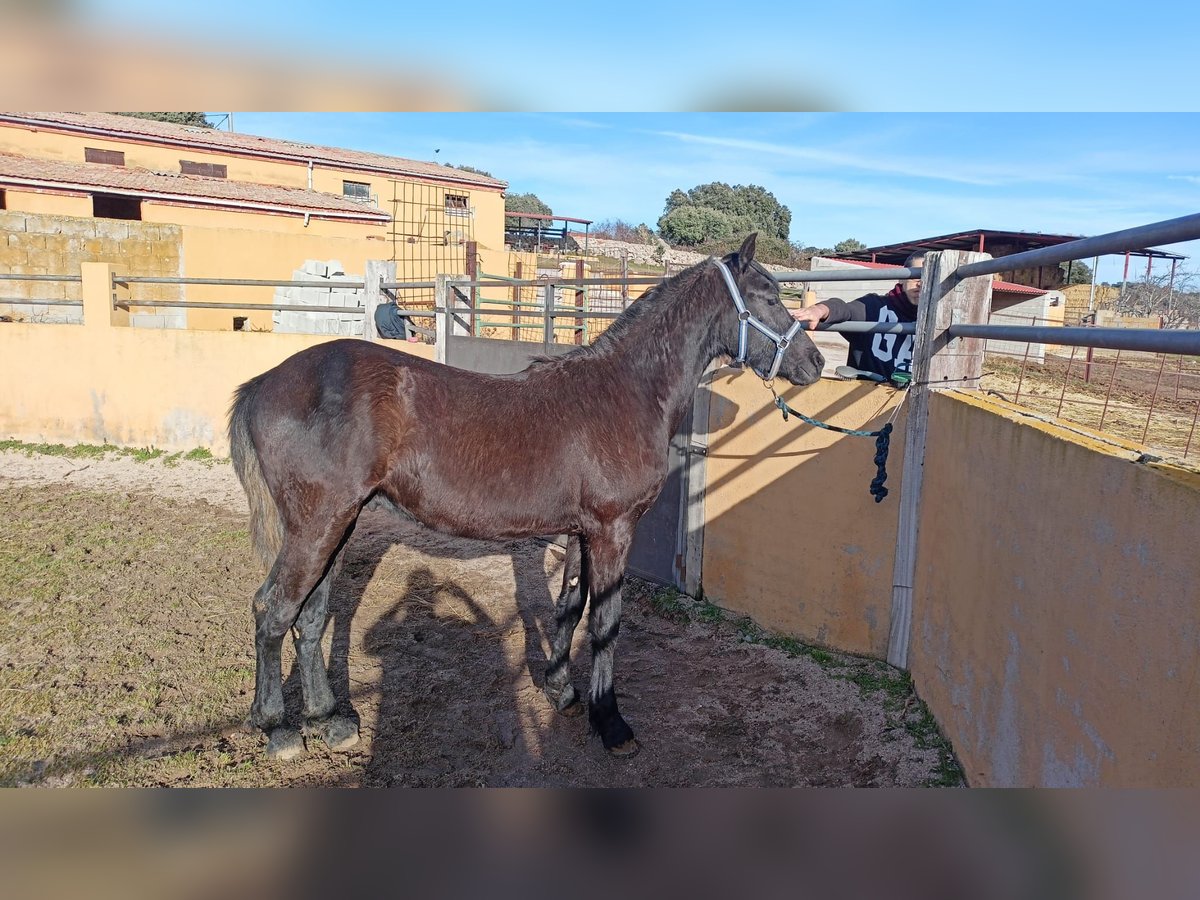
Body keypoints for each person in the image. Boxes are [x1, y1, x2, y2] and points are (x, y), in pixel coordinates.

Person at [789, 250, 926, 382]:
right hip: (869, 396)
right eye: (916, 275)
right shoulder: (873, 306)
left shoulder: (942, 319)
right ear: (902, 278)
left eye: (928, 276)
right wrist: (819, 310)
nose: (921, 283)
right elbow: (844, 309)